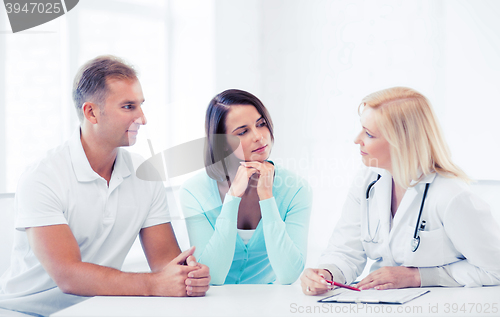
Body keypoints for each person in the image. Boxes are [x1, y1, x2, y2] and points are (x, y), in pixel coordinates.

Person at [0, 55, 210, 316]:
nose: (142, 119)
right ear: (91, 112)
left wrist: (188, 274)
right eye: (128, 107)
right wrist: (155, 283)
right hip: (26, 312)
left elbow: (165, 263)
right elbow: (69, 276)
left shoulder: (145, 174)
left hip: (97, 308)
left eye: (140, 105)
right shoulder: (42, 177)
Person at [301, 86, 500, 295]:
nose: (356, 139)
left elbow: (495, 269)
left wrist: (418, 277)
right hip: (382, 303)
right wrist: (326, 273)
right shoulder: (368, 180)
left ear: (401, 143)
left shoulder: (450, 196)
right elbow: (345, 251)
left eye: (369, 134)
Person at [179, 89, 312, 285]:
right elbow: (212, 276)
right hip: (212, 306)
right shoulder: (194, 191)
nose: (259, 137)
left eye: (261, 124)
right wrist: (232, 198)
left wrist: (267, 197)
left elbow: (288, 274)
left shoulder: (296, 189)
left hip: (270, 305)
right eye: (242, 131)